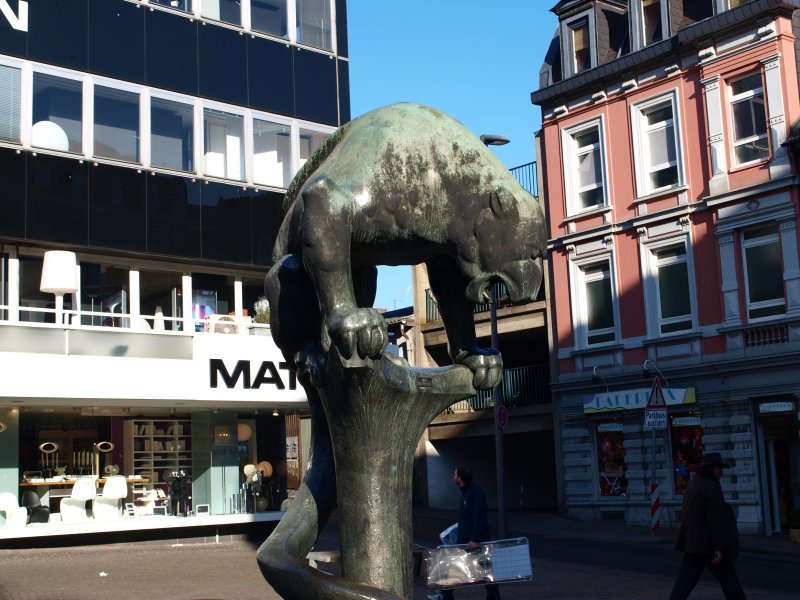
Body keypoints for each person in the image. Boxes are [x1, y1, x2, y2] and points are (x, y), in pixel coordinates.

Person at [669, 452, 747, 600]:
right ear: (711, 469)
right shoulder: (712, 487)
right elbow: (715, 518)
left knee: (684, 582)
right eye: (719, 469)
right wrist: (718, 547)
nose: (721, 473)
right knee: (729, 581)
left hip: (693, 543)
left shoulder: (693, 484)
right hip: (708, 544)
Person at [437, 466, 501, 600]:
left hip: (472, 542)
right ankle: (446, 594)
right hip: (466, 540)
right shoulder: (466, 492)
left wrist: (476, 539)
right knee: (480, 569)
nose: (453, 476)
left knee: (481, 568)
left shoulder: (474, 493)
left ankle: (446, 595)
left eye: (455, 474)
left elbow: (479, 517)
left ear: (460, 478)